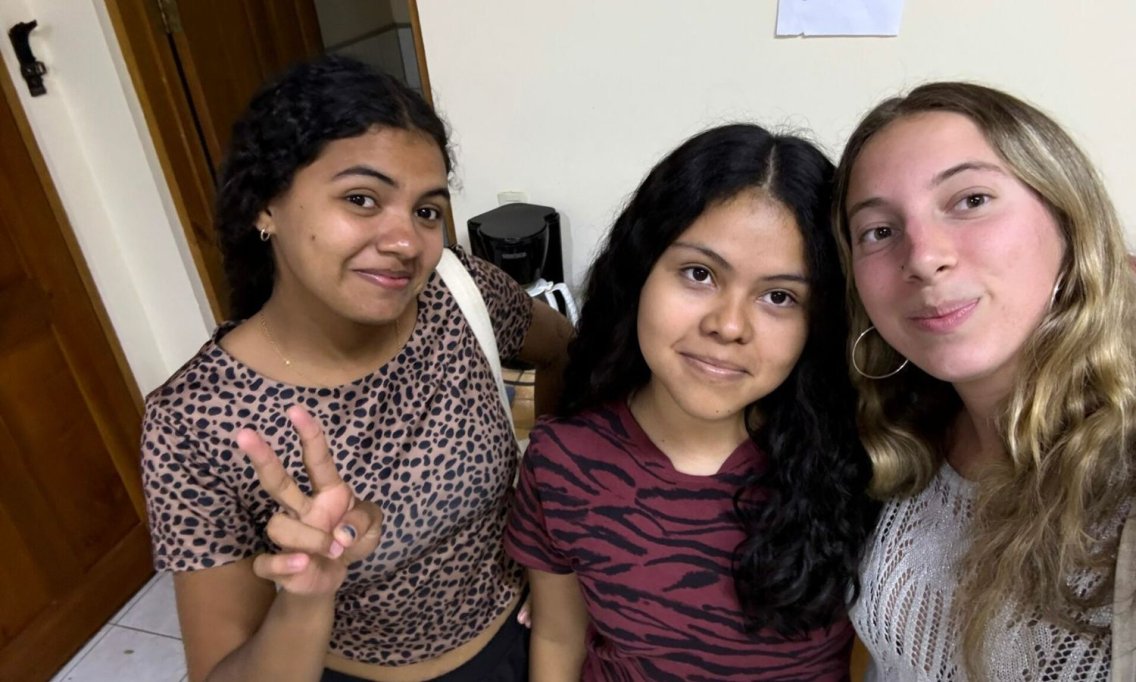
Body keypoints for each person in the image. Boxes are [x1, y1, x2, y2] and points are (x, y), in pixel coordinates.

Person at [140, 55, 573, 682]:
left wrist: (554, 521)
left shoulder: (460, 294)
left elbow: (565, 349)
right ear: (265, 207)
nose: (407, 242)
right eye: (362, 199)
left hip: (527, 646)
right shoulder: (193, 421)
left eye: (427, 211)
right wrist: (305, 600)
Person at [504, 123, 879, 680]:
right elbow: (559, 639)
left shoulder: (866, 461)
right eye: (699, 274)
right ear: (640, 273)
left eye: (779, 296)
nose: (729, 325)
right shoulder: (562, 460)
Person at [834, 82, 1136, 680]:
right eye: (879, 231)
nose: (923, 258)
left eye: (971, 200)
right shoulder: (897, 440)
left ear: (1069, 221)